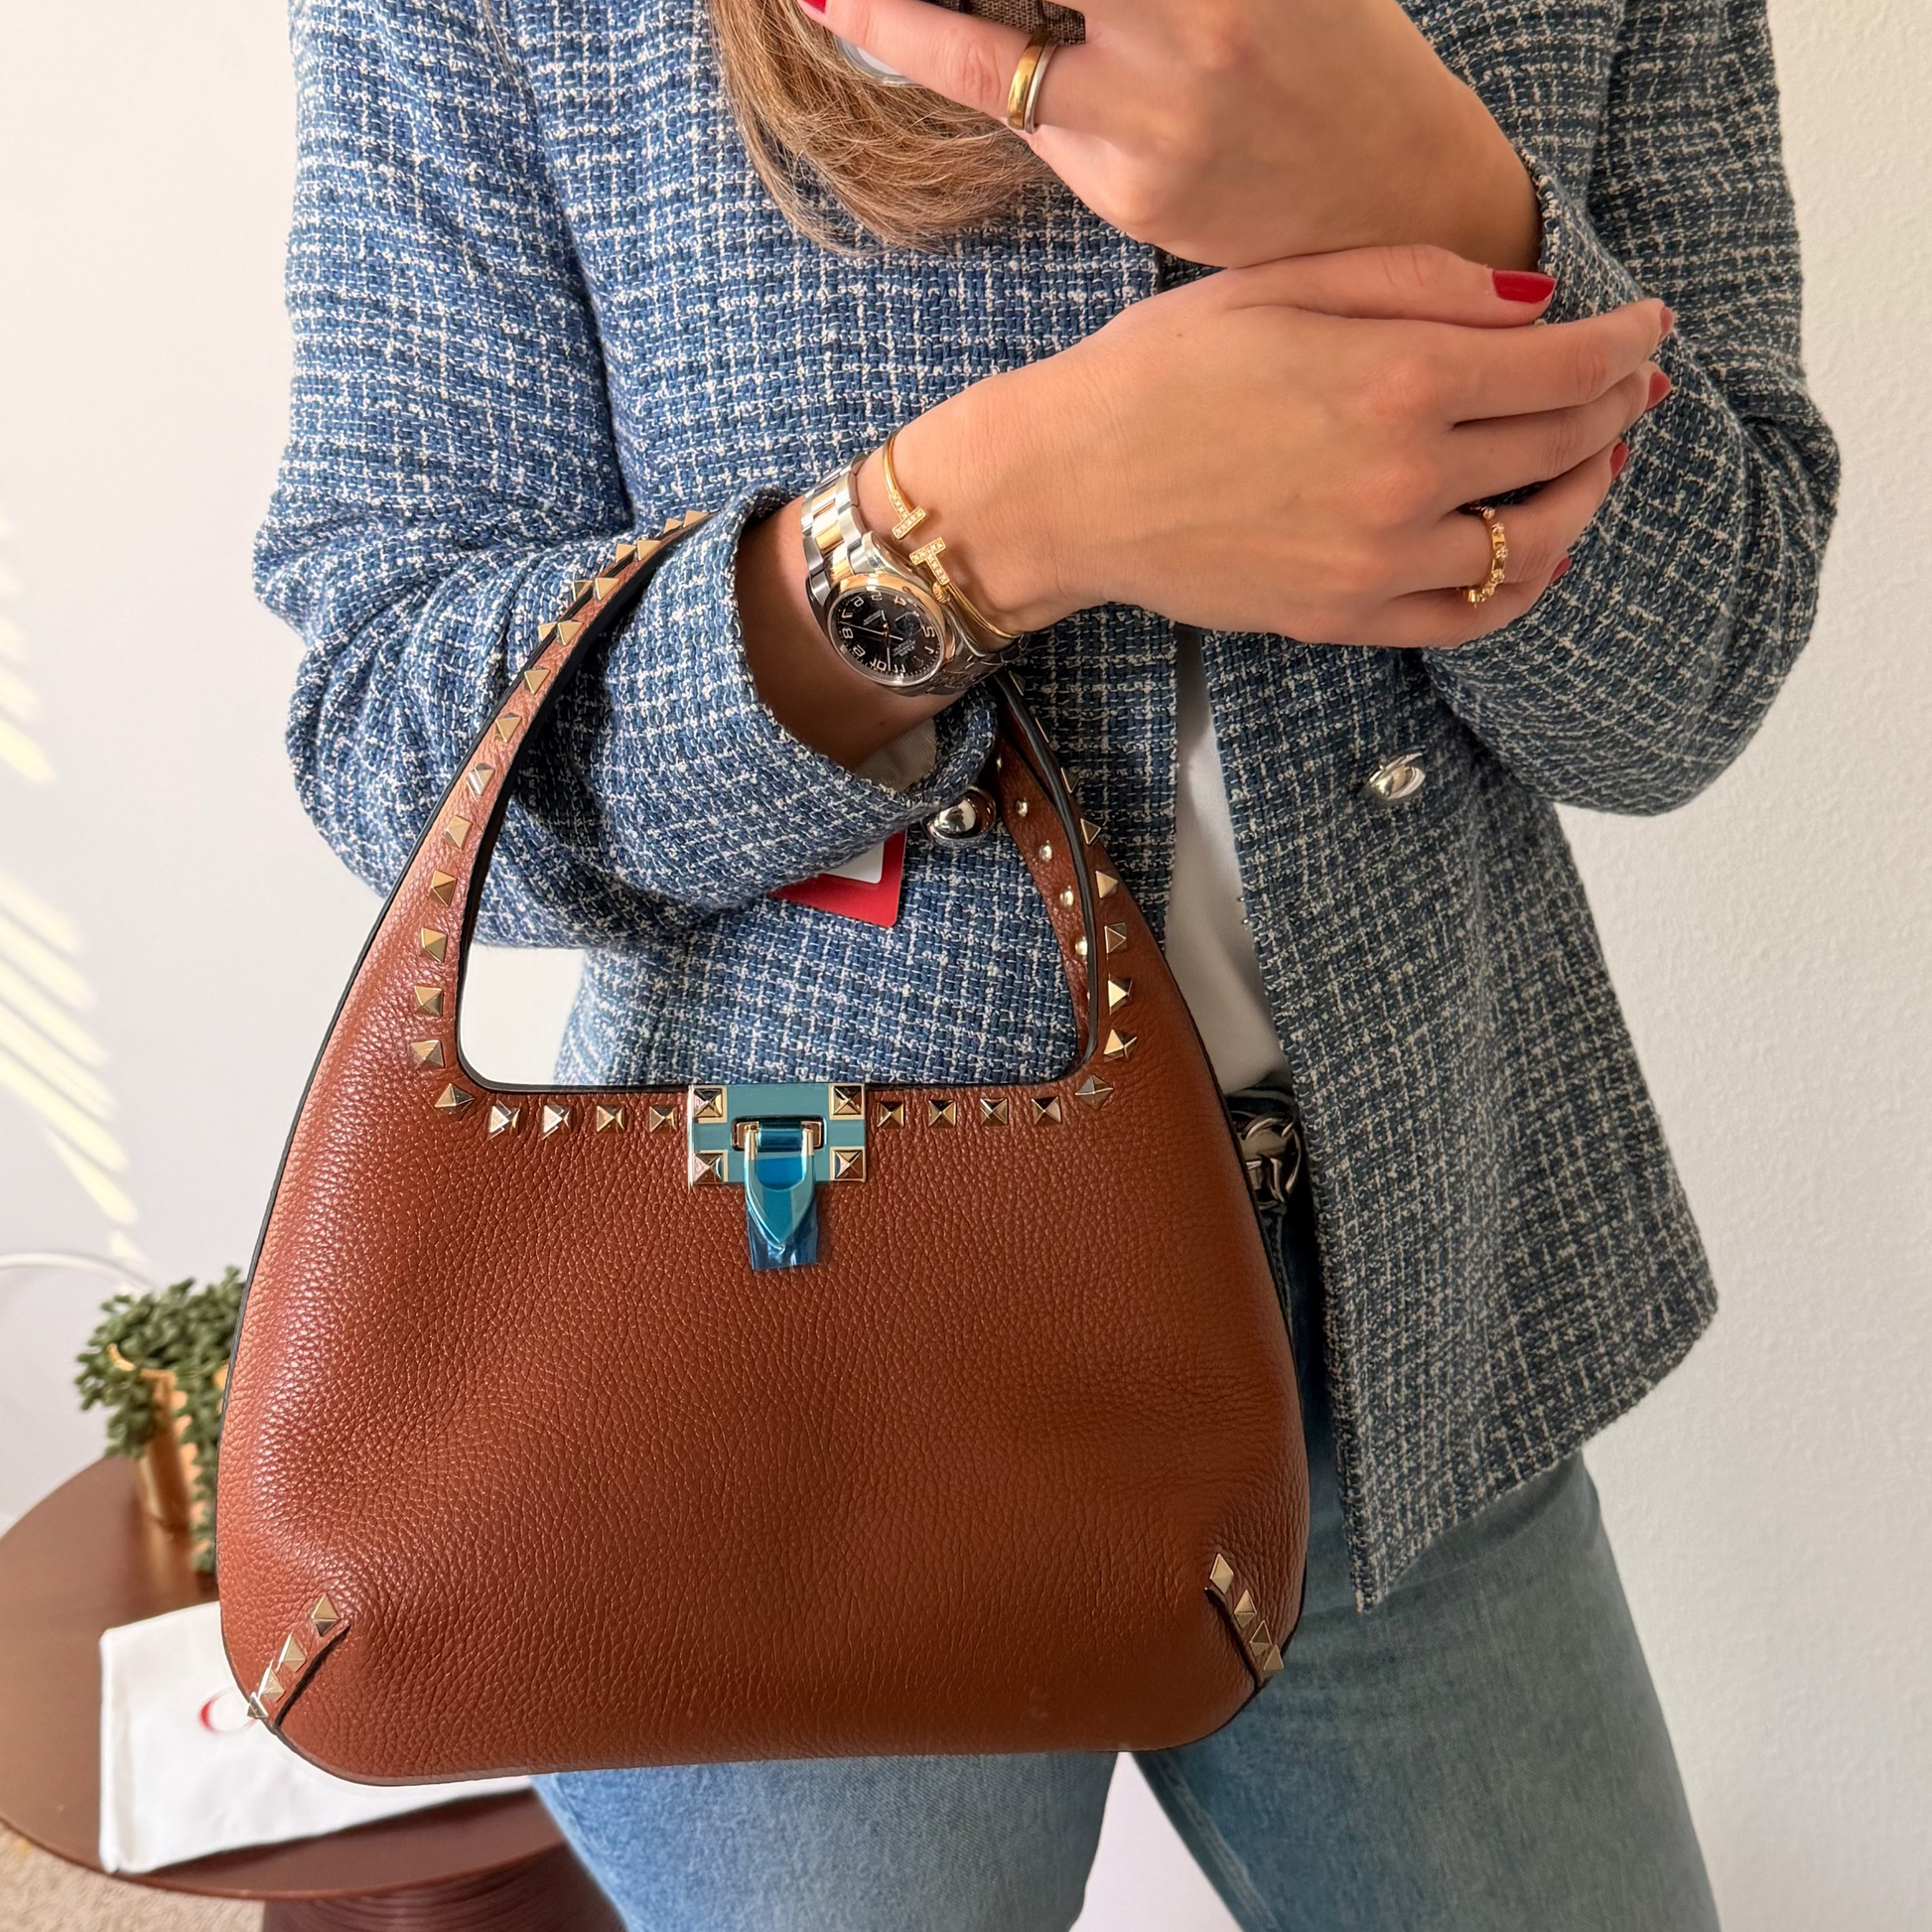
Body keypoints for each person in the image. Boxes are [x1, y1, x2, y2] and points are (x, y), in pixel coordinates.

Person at [254, 0, 1837, 1922]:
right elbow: (400, 733)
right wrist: (979, 525)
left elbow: (1687, 685)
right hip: (784, 1351)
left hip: (1409, 1318)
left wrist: (1443, 195)